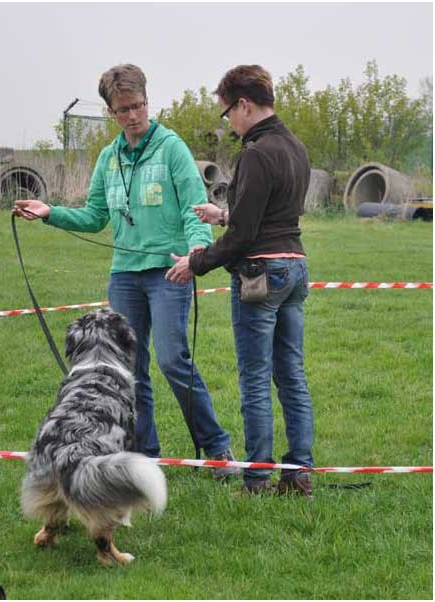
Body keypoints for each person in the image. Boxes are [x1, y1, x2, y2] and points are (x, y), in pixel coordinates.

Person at [13, 64, 237, 479]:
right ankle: (142, 452)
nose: (133, 115)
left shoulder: (172, 148)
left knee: (173, 360)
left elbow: (194, 208)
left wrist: (197, 250)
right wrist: (50, 213)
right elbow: (96, 215)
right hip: (125, 276)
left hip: (170, 272)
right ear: (112, 112)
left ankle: (217, 447)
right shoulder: (108, 158)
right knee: (130, 371)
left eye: (138, 106)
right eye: (123, 109)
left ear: (147, 102)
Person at [166, 65, 315, 498]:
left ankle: (255, 480)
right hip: (295, 268)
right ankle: (298, 473)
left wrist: (196, 262)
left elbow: (245, 237)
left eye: (227, 112)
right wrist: (223, 214)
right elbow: (273, 217)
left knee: (254, 377)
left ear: (244, 105)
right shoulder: (295, 147)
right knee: (291, 375)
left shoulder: (255, 152)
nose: (228, 121)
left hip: (259, 275)